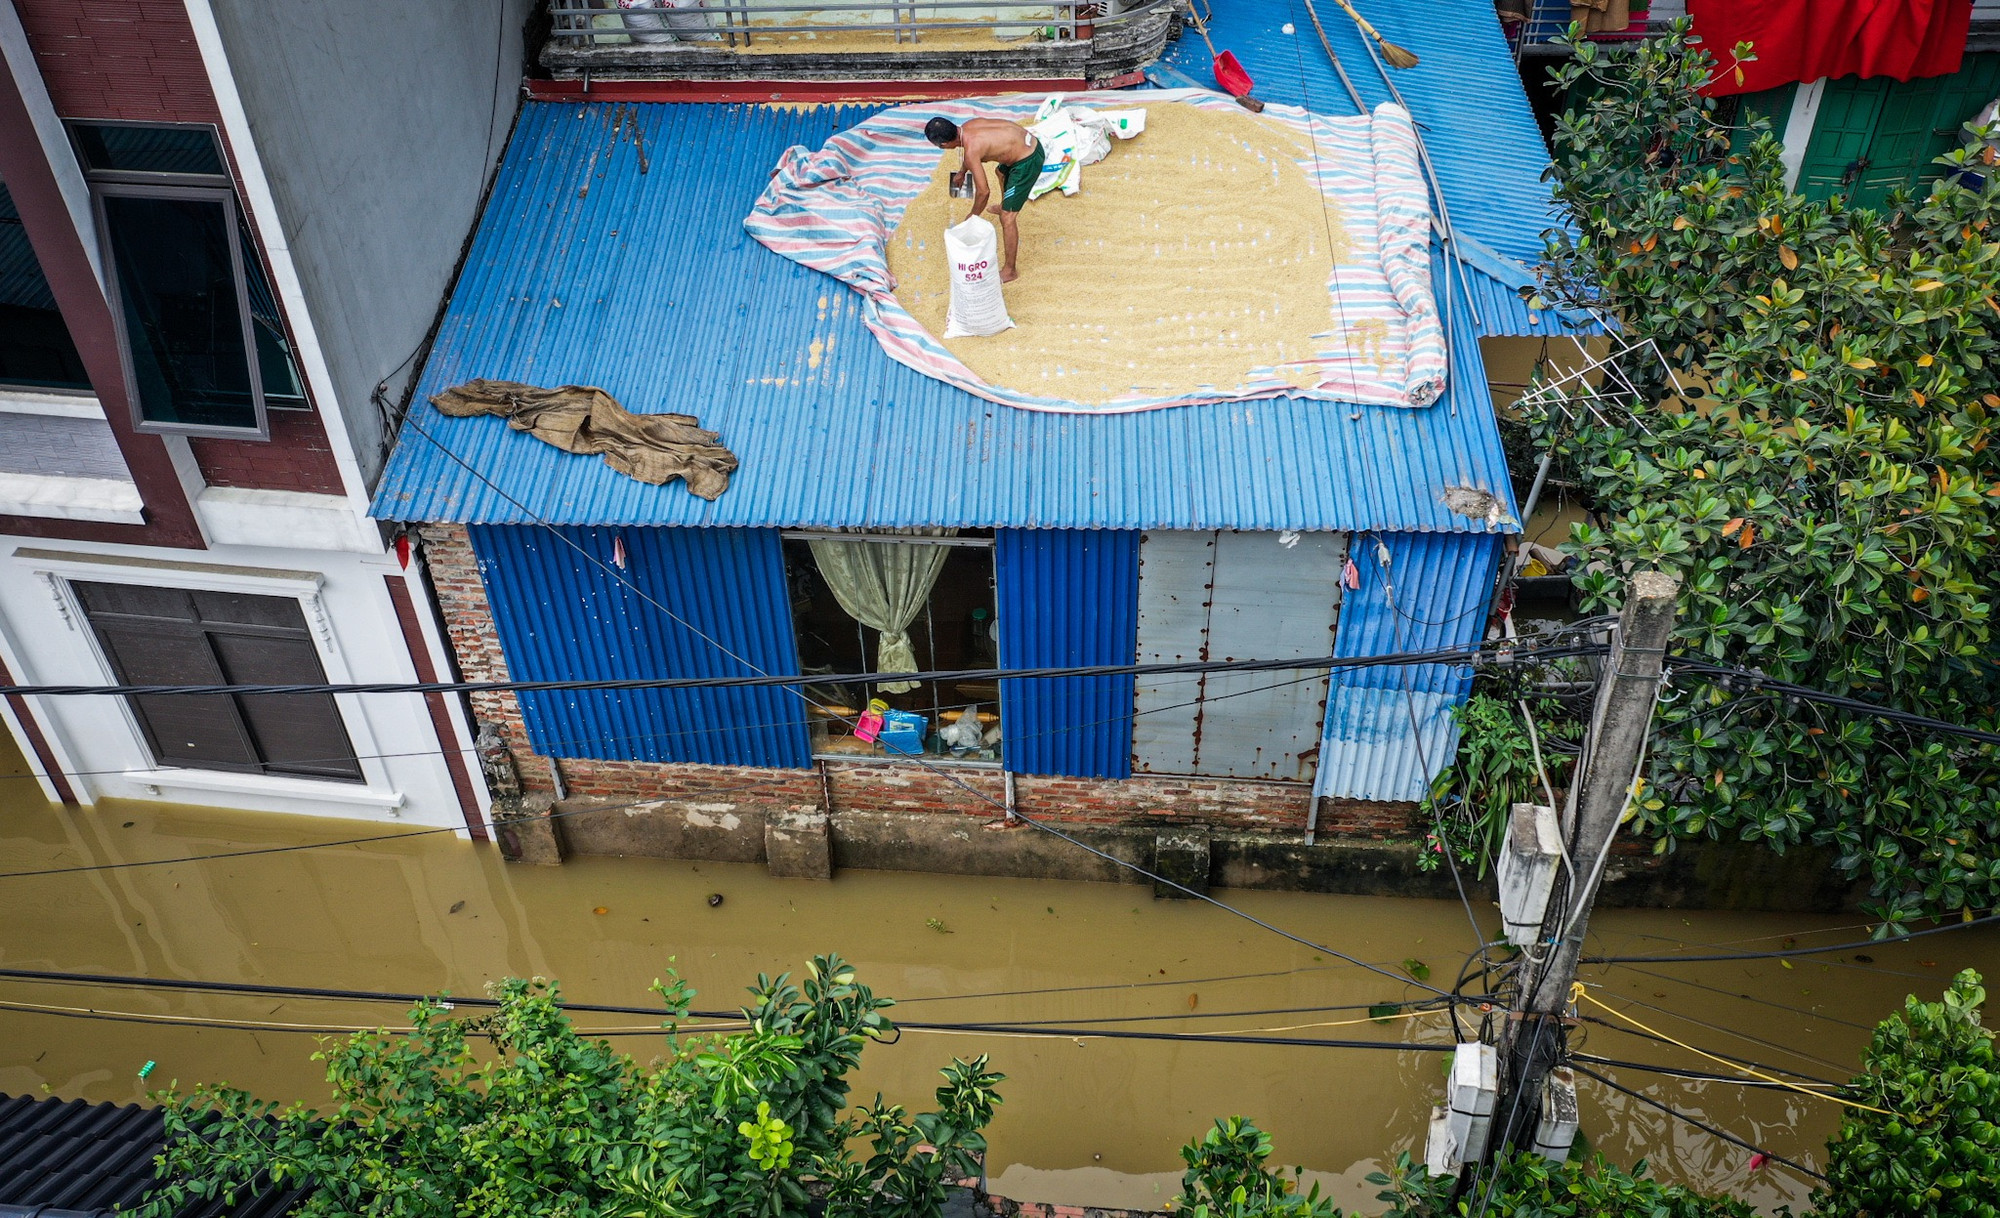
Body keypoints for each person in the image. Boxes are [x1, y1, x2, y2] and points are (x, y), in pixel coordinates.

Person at [924, 115, 1044, 283]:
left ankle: (1010, 270)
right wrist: (962, 172)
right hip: (1028, 143)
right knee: (1000, 172)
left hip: (1027, 161)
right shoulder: (968, 126)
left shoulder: (971, 151)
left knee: (1007, 218)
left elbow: (984, 192)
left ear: (943, 145)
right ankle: (1005, 205)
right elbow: (970, 153)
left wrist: (973, 215)